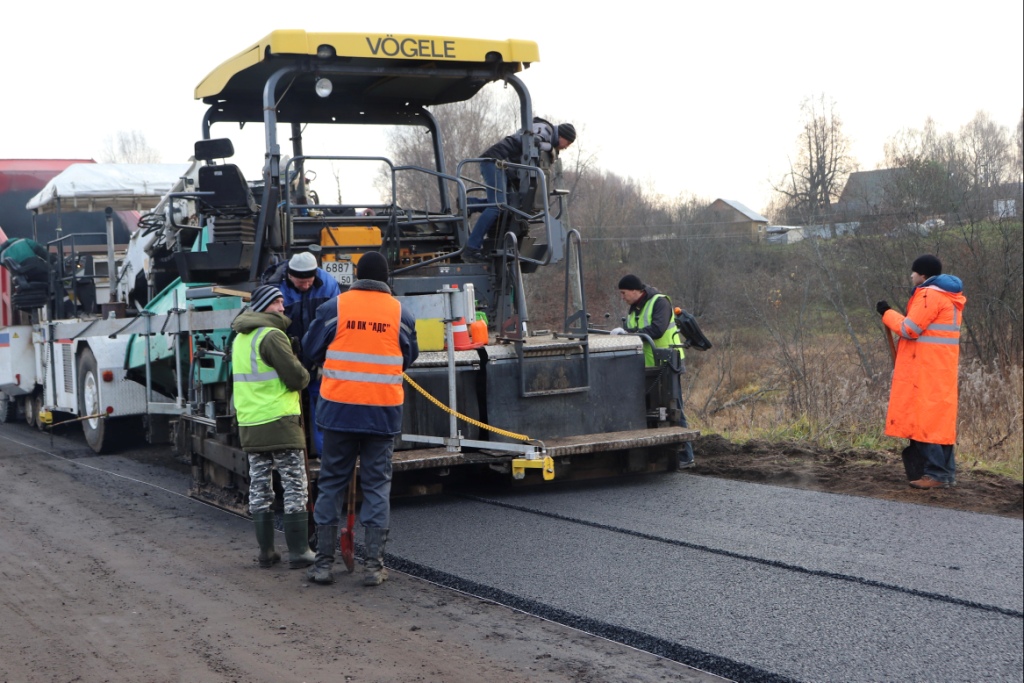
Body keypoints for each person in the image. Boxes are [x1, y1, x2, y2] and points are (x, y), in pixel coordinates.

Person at [302, 251, 418, 586]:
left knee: (331, 484)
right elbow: (408, 355)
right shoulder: (400, 312)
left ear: (356, 275)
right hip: (381, 414)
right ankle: (373, 567)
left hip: (338, 412)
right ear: (385, 278)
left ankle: (323, 565)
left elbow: (311, 348)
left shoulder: (335, 307)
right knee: (377, 486)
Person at [230, 285, 316, 570]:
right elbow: (296, 378)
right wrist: (307, 372)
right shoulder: (272, 335)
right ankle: (300, 551)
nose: (282, 307)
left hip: (251, 423)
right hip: (280, 422)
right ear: (266, 305)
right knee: (294, 485)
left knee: (260, 486)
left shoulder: (241, 338)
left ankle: (266, 552)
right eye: (277, 302)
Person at [876, 254, 966, 490]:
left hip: (925, 369)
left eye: (913, 272)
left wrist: (887, 313)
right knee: (939, 423)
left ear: (923, 275)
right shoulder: (950, 297)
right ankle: (946, 475)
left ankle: (935, 474)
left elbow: (909, 329)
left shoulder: (929, 295)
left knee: (924, 421)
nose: (911, 275)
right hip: (940, 368)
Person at [463, 119, 576, 263]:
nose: (566, 147)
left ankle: (470, 203)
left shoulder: (548, 133)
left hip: (503, 166)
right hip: (495, 161)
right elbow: (532, 141)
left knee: (506, 204)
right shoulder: (545, 129)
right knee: (497, 206)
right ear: (562, 137)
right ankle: (471, 248)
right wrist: (551, 149)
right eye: (568, 143)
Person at [263, 251, 341, 458]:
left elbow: (335, 322)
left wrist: (324, 357)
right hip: (287, 357)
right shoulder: (275, 288)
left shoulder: (329, 284)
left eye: (309, 281)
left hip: (318, 358)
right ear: (289, 276)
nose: (305, 286)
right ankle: (290, 456)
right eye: (300, 282)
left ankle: (326, 457)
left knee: (322, 405)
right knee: (287, 410)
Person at [612, 274, 695, 467]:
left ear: (635, 290)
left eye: (624, 293)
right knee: (651, 410)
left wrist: (628, 334)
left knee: (674, 409)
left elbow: (657, 330)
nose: (622, 297)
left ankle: (686, 455)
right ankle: (658, 453)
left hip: (667, 364)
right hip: (646, 366)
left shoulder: (660, 302)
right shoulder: (635, 309)